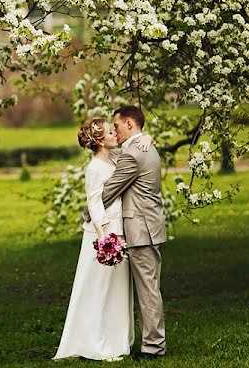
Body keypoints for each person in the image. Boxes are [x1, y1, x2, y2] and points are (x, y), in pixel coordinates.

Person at [54, 117, 151, 362]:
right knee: (100, 290)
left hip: (121, 231)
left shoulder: (117, 157)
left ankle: (117, 341)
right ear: (99, 140)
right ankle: (95, 343)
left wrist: (148, 138)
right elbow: (94, 202)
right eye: (110, 132)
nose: (115, 134)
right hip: (105, 236)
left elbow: (136, 145)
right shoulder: (94, 168)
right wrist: (104, 239)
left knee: (119, 292)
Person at [82, 105, 167, 359]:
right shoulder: (141, 146)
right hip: (146, 227)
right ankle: (148, 343)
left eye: (116, 126)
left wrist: (87, 214)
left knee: (148, 291)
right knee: (148, 288)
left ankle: (153, 348)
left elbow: (110, 190)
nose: (114, 131)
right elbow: (109, 151)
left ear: (129, 124)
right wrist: (146, 135)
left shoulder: (133, 155)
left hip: (141, 229)